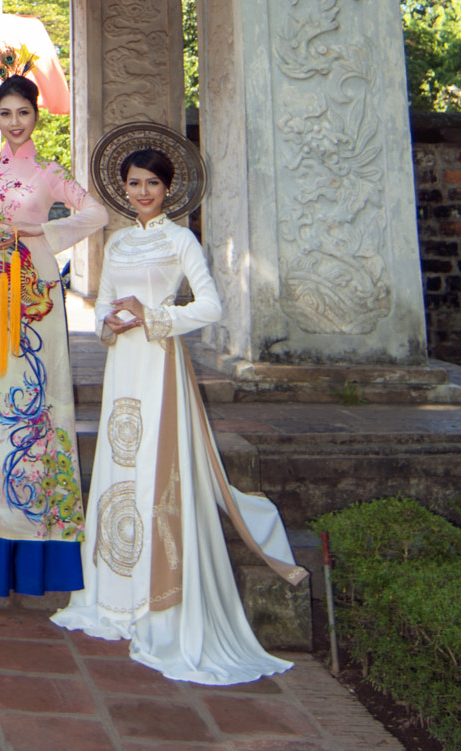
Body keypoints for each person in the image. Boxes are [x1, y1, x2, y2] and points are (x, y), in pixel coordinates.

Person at [53, 141, 308, 684]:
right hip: (123, 365)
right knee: (120, 472)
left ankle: (159, 604)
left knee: (155, 472)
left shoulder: (181, 239)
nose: (142, 192)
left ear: (168, 189)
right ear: (124, 189)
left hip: (161, 365)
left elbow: (211, 307)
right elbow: (101, 304)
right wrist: (109, 324)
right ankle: (113, 599)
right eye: (133, 184)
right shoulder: (116, 242)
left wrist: (153, 315)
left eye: (151, 183)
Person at [0, 74, 106, 597]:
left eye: (24, 113)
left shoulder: (50, 172)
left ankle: (43, 530)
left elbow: (96, 212)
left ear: (37, 116)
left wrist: (44, 235)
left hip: (36, 291)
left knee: (40, 393)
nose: (15, 122)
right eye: (6, 113)